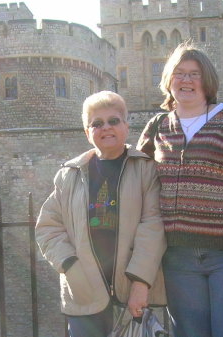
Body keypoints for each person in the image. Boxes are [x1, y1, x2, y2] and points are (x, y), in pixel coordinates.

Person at [137, 42, 223, 337]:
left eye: (194, 74)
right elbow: (136, 177)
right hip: (178, 259)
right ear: (169, 80)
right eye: (179, 73)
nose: (186, 80)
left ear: (207, 80)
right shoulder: (158, 127)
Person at [36, 91, 166, 337]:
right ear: (87, 132)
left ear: (126, 126)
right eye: (97, 123)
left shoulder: (145, 169)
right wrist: (69, 265)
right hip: (83, 292)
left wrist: (141, 282)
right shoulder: (69, 174)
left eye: (113, 120)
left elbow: (153, 226)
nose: (106, 128)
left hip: (130, 289)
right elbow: (48, 227)